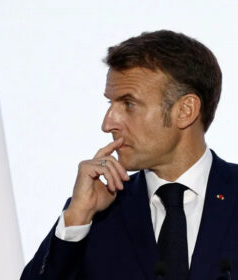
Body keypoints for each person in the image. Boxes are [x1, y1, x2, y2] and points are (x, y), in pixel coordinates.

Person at [20, 30, 238, 280]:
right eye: (109, 104)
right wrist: (78, 216)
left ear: (185, 111)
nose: (108, 123)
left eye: (128, 104)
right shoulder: (95, 213)